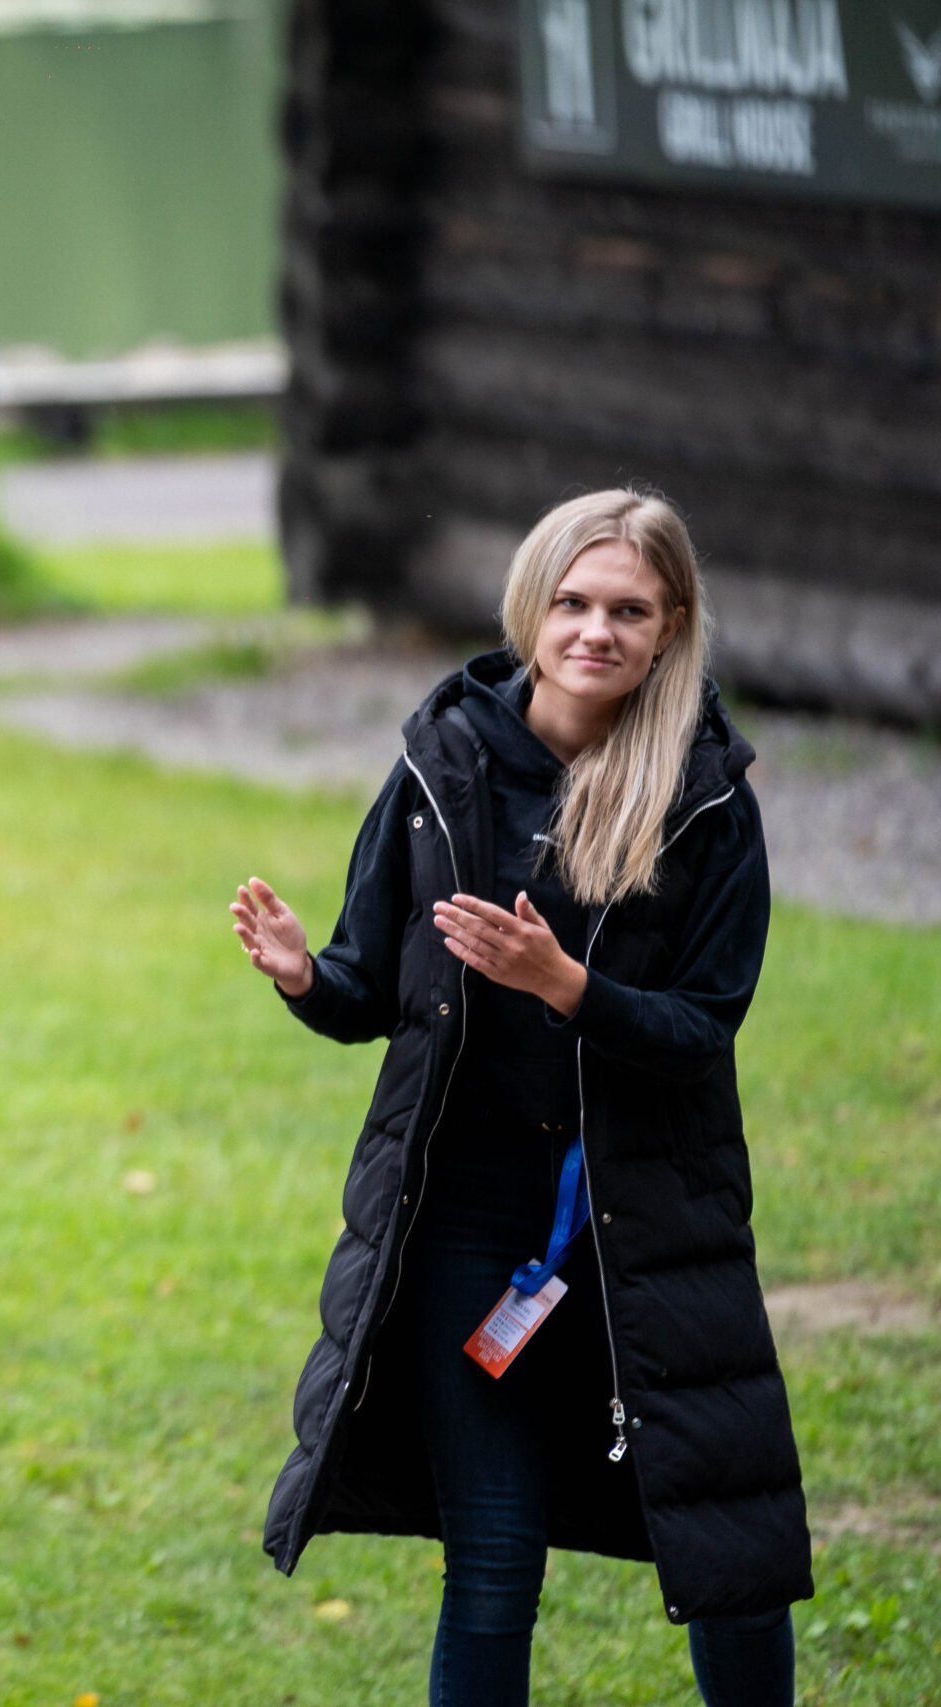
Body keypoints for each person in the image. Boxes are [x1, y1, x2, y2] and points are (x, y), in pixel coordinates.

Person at [231, 491, 808, 1705]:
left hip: (649, 1214)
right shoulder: (441, 765)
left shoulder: (705, 797)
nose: (596, 630)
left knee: (731, 1553)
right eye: (574, 602)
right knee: (492, 1563)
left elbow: (703, 1027)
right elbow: (370, 987)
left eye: (628, 611)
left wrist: (565, 987)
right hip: (465, 1217)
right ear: (531, 608)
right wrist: (304, 977)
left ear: (670, 627)